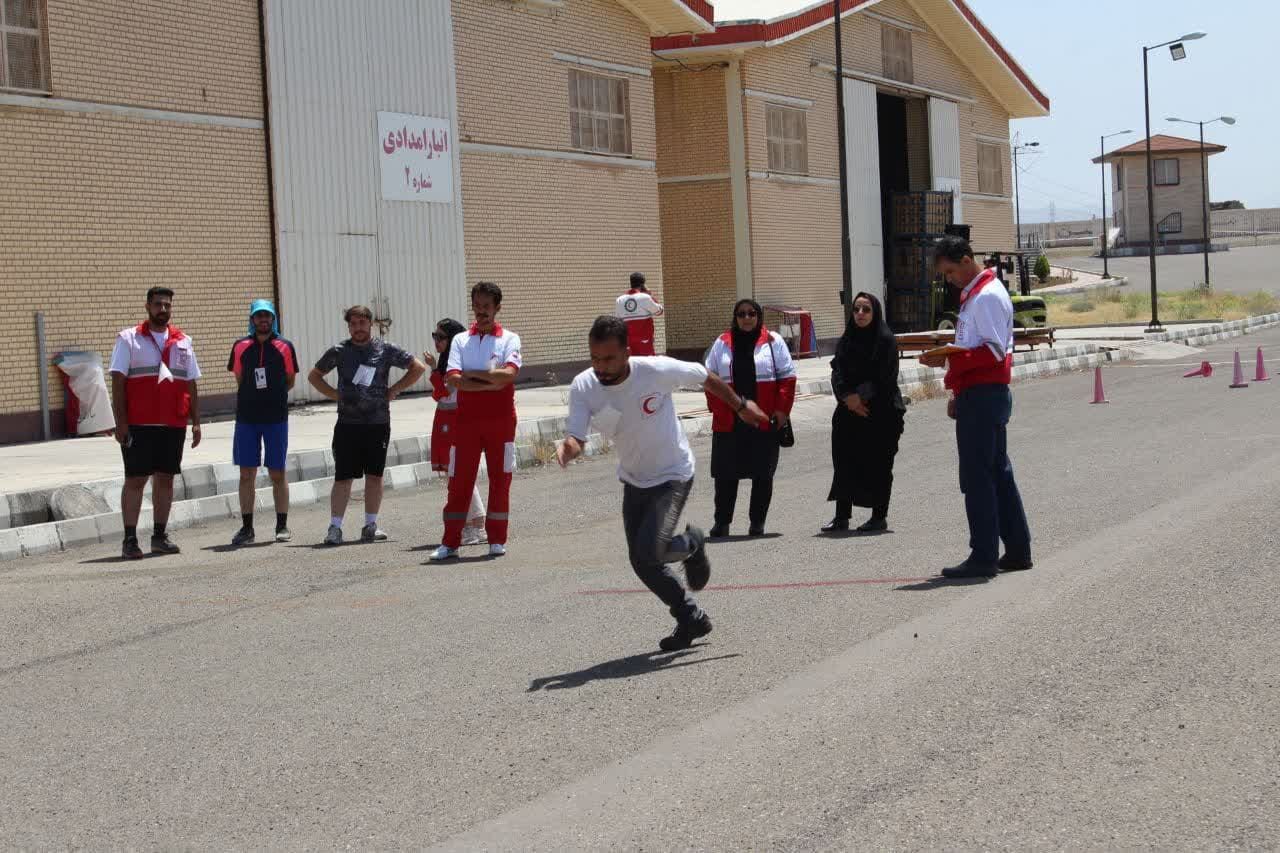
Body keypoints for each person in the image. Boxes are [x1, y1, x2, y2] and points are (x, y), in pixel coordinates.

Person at [557, 315, 768, 651]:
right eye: (595, 358)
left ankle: (692, 544)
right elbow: (576, 435)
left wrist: (741, 406)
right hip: (633, 478)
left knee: (650, 550)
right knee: (642, 562)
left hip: (673, 474)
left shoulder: (654, 370)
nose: (601, 366)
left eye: (609, 358)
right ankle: (691, 617)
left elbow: (706, 377)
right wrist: (569, 448)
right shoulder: (584, 385)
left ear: (627, 352)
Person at [920, 235, 1032, 578]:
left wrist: (952, 360)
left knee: (978, 476)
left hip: (984, 394)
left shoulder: (985, 297)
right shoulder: (976, 297)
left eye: (951, 271)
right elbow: (977, 347)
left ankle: (983, 554)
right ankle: (1015, 550)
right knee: (997, 472)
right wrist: (954, 375)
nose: (950, 279)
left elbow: (995, 353)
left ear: (968, 260)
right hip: (979, 392)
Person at [308, 305, 426, 545]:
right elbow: (314, 376)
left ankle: (370, 524)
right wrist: (334, 395)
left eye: (362, 323)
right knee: (343, 477)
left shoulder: (385, 349)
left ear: (370, 324)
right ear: (348, 326)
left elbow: (418, 367)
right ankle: (335, 528)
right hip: (348, 424)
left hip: (377, 423)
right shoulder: (340, 351)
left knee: (375, 475)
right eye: (353, 323)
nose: (358, 328)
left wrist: (394, 389)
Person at [108, 287, 203, 559]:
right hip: (139, 424)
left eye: (167, 305)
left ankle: (159, 537)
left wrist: (195, 422)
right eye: (158, 304)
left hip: (173, 424)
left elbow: (191, 383)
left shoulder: (183, 340)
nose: (163, 309)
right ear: (148, 306)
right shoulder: (128, 339)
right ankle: (129, 540)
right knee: (136, 480)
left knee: (166, 480)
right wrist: (120, 422)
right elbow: (117, 382)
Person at [430, 282, 522, 561]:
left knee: (500, 480)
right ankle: (450, 542)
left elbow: (508, 375)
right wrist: (489, 382)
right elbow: (452, 378)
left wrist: (473, 380)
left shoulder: (509, 339)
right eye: (477, 306)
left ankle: (496, 539)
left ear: (497, 308)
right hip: (466, 421)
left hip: (501, 421)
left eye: (487, 307)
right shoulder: (460, 340)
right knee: (459, 481)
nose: (481, 312)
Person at [703, 298, 796, 537]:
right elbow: (708, 379)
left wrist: (782, 411)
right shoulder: (722, 343)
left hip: (763, 419)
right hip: (729, 420)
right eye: (741, 314)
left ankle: (757, 523)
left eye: (751, 314)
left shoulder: (773, 342)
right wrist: (719, 409)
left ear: (759, 317)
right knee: (725, 475)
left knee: (762, 473)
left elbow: (787, 379)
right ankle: (722, 522)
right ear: (735, 318)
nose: (746, 318)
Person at [822, 292, 906, 534]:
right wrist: (847, 397)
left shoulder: (885, 340)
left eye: (865, 309)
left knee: (880, 465)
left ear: (875, 312)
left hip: (881, 413)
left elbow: (886, 378)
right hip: (848, 412)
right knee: (844, 462)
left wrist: (860, 398)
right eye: (856, 309)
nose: (860, 314)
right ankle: (841, 517)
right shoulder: (847, 339)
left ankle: (879, 517)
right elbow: (836, 372)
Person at [227, 299, 300, 546]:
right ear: (252, 319)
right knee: (246, 473)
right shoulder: (240, 346)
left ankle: (282, 526)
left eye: (267, 316)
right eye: (258, 316)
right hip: (247, 418)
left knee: (277, 472)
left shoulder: (285, 346)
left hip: (276, 418)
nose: (263, 320)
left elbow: (290, 380)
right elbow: (239, 378)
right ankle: (247, 528)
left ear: (273, 319)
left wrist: (272, 396)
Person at [423, 318, 486, 547]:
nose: (437, 341)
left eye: (441, 337)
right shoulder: (447, 360)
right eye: (435, 336)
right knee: (456, 476)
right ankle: (473, 526)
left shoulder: (455, 362)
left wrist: (432, 370)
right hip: (447, 421)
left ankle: (474, 527)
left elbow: (442, 392)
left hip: (456, 422)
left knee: (459, 477)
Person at [614, 272, 664, 356]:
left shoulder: (619, 300)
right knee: (647, 367)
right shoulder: (645, 297)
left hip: (628, 344)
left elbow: (618, 322)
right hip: (645, 343)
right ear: (643, 284)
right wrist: (650, 295)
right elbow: (659, 311)